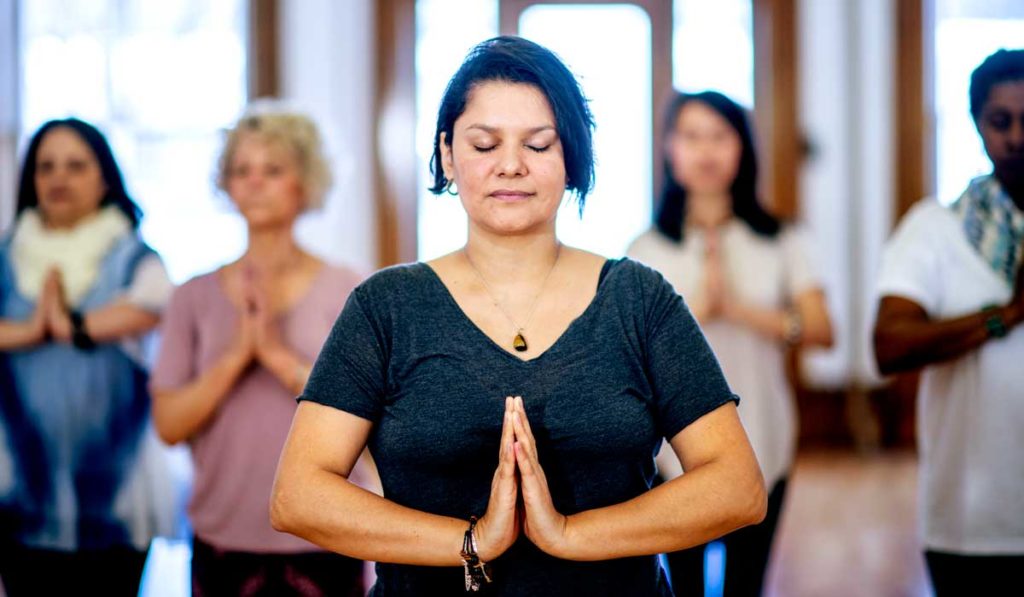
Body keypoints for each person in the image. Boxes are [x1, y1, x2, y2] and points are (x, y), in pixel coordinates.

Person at [270, 36, 766, 596]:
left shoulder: (640, 299)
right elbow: (298, 495)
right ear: (449, 155)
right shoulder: (385, 306)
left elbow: (737, 487)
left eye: (538, 144)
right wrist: (473, 542)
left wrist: (569, 535)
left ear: (571, 158)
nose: (510, 166)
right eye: (484, 145)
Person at [149, 103, 367, 596]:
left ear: (305, 181)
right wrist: (234, 359)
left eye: (273, 170)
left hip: (329, 532)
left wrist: (276, 357)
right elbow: (168, 425)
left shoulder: (351, 291)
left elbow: (370, 420)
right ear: (225, 184)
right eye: (242, 170)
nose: (255, 183)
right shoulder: (192, 296)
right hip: (223, 537)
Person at [627, 91, 833, 596]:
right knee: (684, 586)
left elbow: (823, 331)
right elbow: (629, 356)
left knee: (747, 584)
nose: (706, 151)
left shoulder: (783, 238)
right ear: (670, 150)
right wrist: (697, 308)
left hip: (764, 440)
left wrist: (738, 310)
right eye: (691, 136)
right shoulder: (644, 249)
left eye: (720, 135)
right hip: (673, 456)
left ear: (743, 149)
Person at [0, 118, 175, 595]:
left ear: (104, 178)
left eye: (76, 165)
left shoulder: (135, 257)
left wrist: (71, 325)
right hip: (18, 492)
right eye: (46, 166)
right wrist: (29, 331)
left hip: (114, 495)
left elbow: (155, 308)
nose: (59, 178)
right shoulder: (6, 256)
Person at [873, 48, 1024, 595]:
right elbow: (889, 345)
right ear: (977, 126)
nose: (1017, 138)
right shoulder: (935, 229)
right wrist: (1006, 313)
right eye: (1000, 121)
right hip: (972, 517)